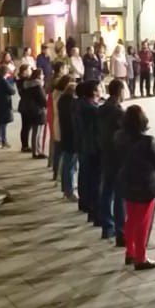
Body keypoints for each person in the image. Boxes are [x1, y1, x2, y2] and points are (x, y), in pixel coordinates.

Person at [115, 105, 155, 270]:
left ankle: (130, 251)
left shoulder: (119, 137)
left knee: (131, 219)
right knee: (143, 223)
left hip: (127, 182)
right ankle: (141, 257)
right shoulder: (147, 142)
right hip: (145, 185)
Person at [95, 80, 127, 245]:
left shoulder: (102, 108)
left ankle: (107, 226)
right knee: (119, 194)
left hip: (105, 152)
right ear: (120, 91)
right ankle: (120, 230)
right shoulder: (117, 111)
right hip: (116, 155)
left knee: (107, 191)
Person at [75, 80, 102, 222]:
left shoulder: (80, 104)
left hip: (83, 145)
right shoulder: (91, 108)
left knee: (85, 176)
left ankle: (85, 203)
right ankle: (94, 211)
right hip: (91, 147)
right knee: (94, 180)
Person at [55, 78, 79, 201]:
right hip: (72, 137)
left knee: (66, 164)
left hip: (65, 135)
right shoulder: (71, 104)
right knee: (70, 165)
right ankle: (69, 190)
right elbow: (73, 122)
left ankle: (66, 189)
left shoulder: (62, 101)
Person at [18, 68, 47, 158]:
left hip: (28, 109)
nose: (43, 76)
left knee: (32, 130)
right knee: (37, 132)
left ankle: (35, 150)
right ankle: (36, 151)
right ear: (38, 76)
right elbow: (43, 100)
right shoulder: (37, 86)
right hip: (37, 110)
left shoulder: (27, 84)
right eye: (42, 74)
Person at [0, 65, 16, 148]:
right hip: (5, 104)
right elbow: (12, 91)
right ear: (5, 73)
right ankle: (3, 140)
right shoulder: (4, 81)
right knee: (3, 123)